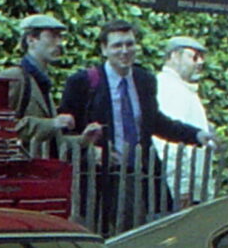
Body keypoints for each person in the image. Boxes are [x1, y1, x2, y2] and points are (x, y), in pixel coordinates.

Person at [59, 22, 211, 231]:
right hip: (100, 179)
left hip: (140, 175)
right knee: (104, 235)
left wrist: (196, 135)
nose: (124, 51)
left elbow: (155, 122)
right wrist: (88, 150)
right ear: (104, 49)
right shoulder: (83, 82)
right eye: (117, 45)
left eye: (129, 44)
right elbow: (64, 133)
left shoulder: (144, 80)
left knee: (146, 234)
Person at [0, 13, 74, 159]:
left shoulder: (41, 80)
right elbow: (1, 127)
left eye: (60, 37)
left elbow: (52, 142)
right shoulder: (14, 76)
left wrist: (84, 140)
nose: (59, 43)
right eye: (52, 36)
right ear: (31, 40)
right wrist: (53, 123)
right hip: (15, 166)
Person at [152, 35, 213, 203]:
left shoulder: (182, 89)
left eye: (202, 57)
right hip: (181, 192)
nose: (200, 62)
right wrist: (182, 187)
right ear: (174, 56)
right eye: (194, 56)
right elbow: (170, 144)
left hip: (193, 190)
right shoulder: (169, 88)